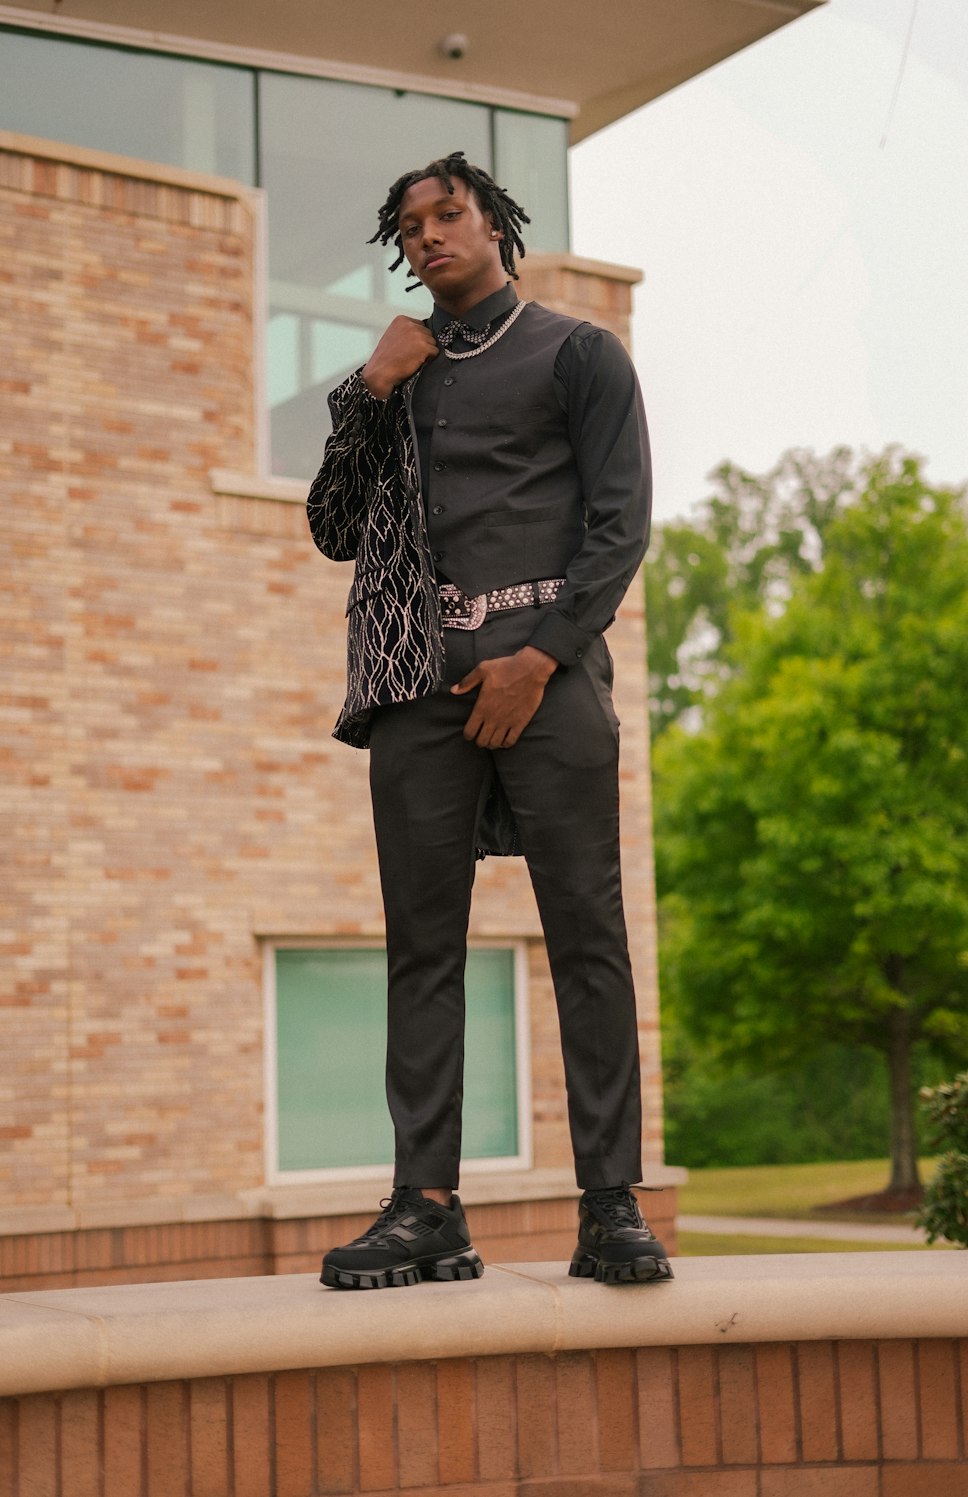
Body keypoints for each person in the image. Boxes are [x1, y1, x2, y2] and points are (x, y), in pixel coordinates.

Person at [307, 151, 672, 1290]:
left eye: (446, 214)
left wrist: (543, 659)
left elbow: (619, 529)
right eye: (408, 226)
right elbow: (330, 528)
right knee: (422, 948)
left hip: (548, 679)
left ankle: (609, 1207)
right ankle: (426, 1208)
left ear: (494, 224)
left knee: (586, 938)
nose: (427, 236)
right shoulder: (392, 377)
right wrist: (371, 388)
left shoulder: (577, 354)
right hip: (415, 688)